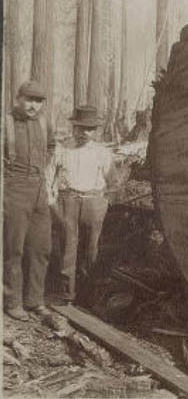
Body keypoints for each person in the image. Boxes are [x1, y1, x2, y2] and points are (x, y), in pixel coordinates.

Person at [51, 106, 114, 306]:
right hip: (68, 201)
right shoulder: (62, 149)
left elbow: (113, 182)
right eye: (81, 128)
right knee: (68, 248)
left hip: (94, 202)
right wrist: (52, 201)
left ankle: (87, 296)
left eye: (90, 129)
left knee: (91, 249)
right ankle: (67, 295)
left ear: (95, 130)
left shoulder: (103, 152)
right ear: (74, 127)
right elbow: (49, 175)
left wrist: (104, 204)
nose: (85, 132)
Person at [3, 81, 55, 322]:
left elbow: (51, 147)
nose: (33, 105)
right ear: (18, 99)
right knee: (14, 248)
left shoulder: (45, 123)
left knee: (41, 247)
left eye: (38, 101)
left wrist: (41, 171)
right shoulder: (7, 123)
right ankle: (12, 302)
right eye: (29, 100)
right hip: (14, 188)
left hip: (40, 188)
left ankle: (34, 300)